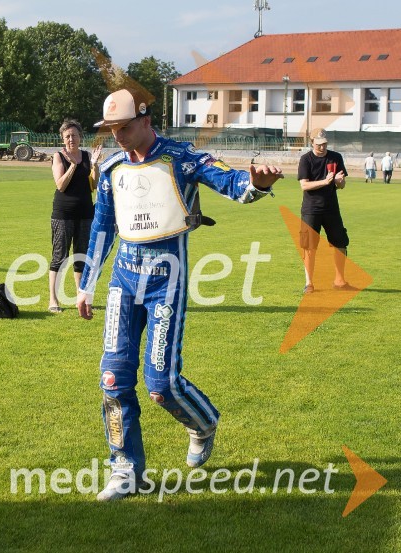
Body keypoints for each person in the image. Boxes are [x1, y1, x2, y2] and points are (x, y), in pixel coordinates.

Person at [75, 86, 283, 502]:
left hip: (165, 281)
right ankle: (124, 468)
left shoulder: (182, 157)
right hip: (122, 282)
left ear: (147, 120)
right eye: (111, 128)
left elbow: (228, 180)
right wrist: (86, 283)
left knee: (161, 385)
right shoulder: (113, 167)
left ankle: (203, 424)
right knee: (113, 378)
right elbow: (101, 226)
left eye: (124, 125)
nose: (116, 134)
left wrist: (255, 184)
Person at [48, 119, 102, 312]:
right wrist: (72, 166)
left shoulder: (87, 156)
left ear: (80, 137)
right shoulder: (58, 156)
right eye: (67, 136)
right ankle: (53, 300)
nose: (71, 139)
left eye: (74, 135)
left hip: (86, 214)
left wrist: (94, 165)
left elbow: (94, 185)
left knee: (81, 257)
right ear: (63, 139)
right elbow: (60, 185)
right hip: (63, 214)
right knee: (59, 256)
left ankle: (81, 297)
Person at [297, 128, 352, 293]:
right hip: (311, 209)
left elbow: (341, 185)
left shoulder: (336, 157)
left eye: (325, 144)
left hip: (331, 209)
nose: (322, 147)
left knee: (340, 243)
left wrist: (339, 181)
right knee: (309, 247)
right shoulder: (306, 159)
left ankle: (340, 280)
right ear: (311, 142)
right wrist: (326, 181)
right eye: (319, 144)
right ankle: (309, 283)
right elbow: (304, 185)